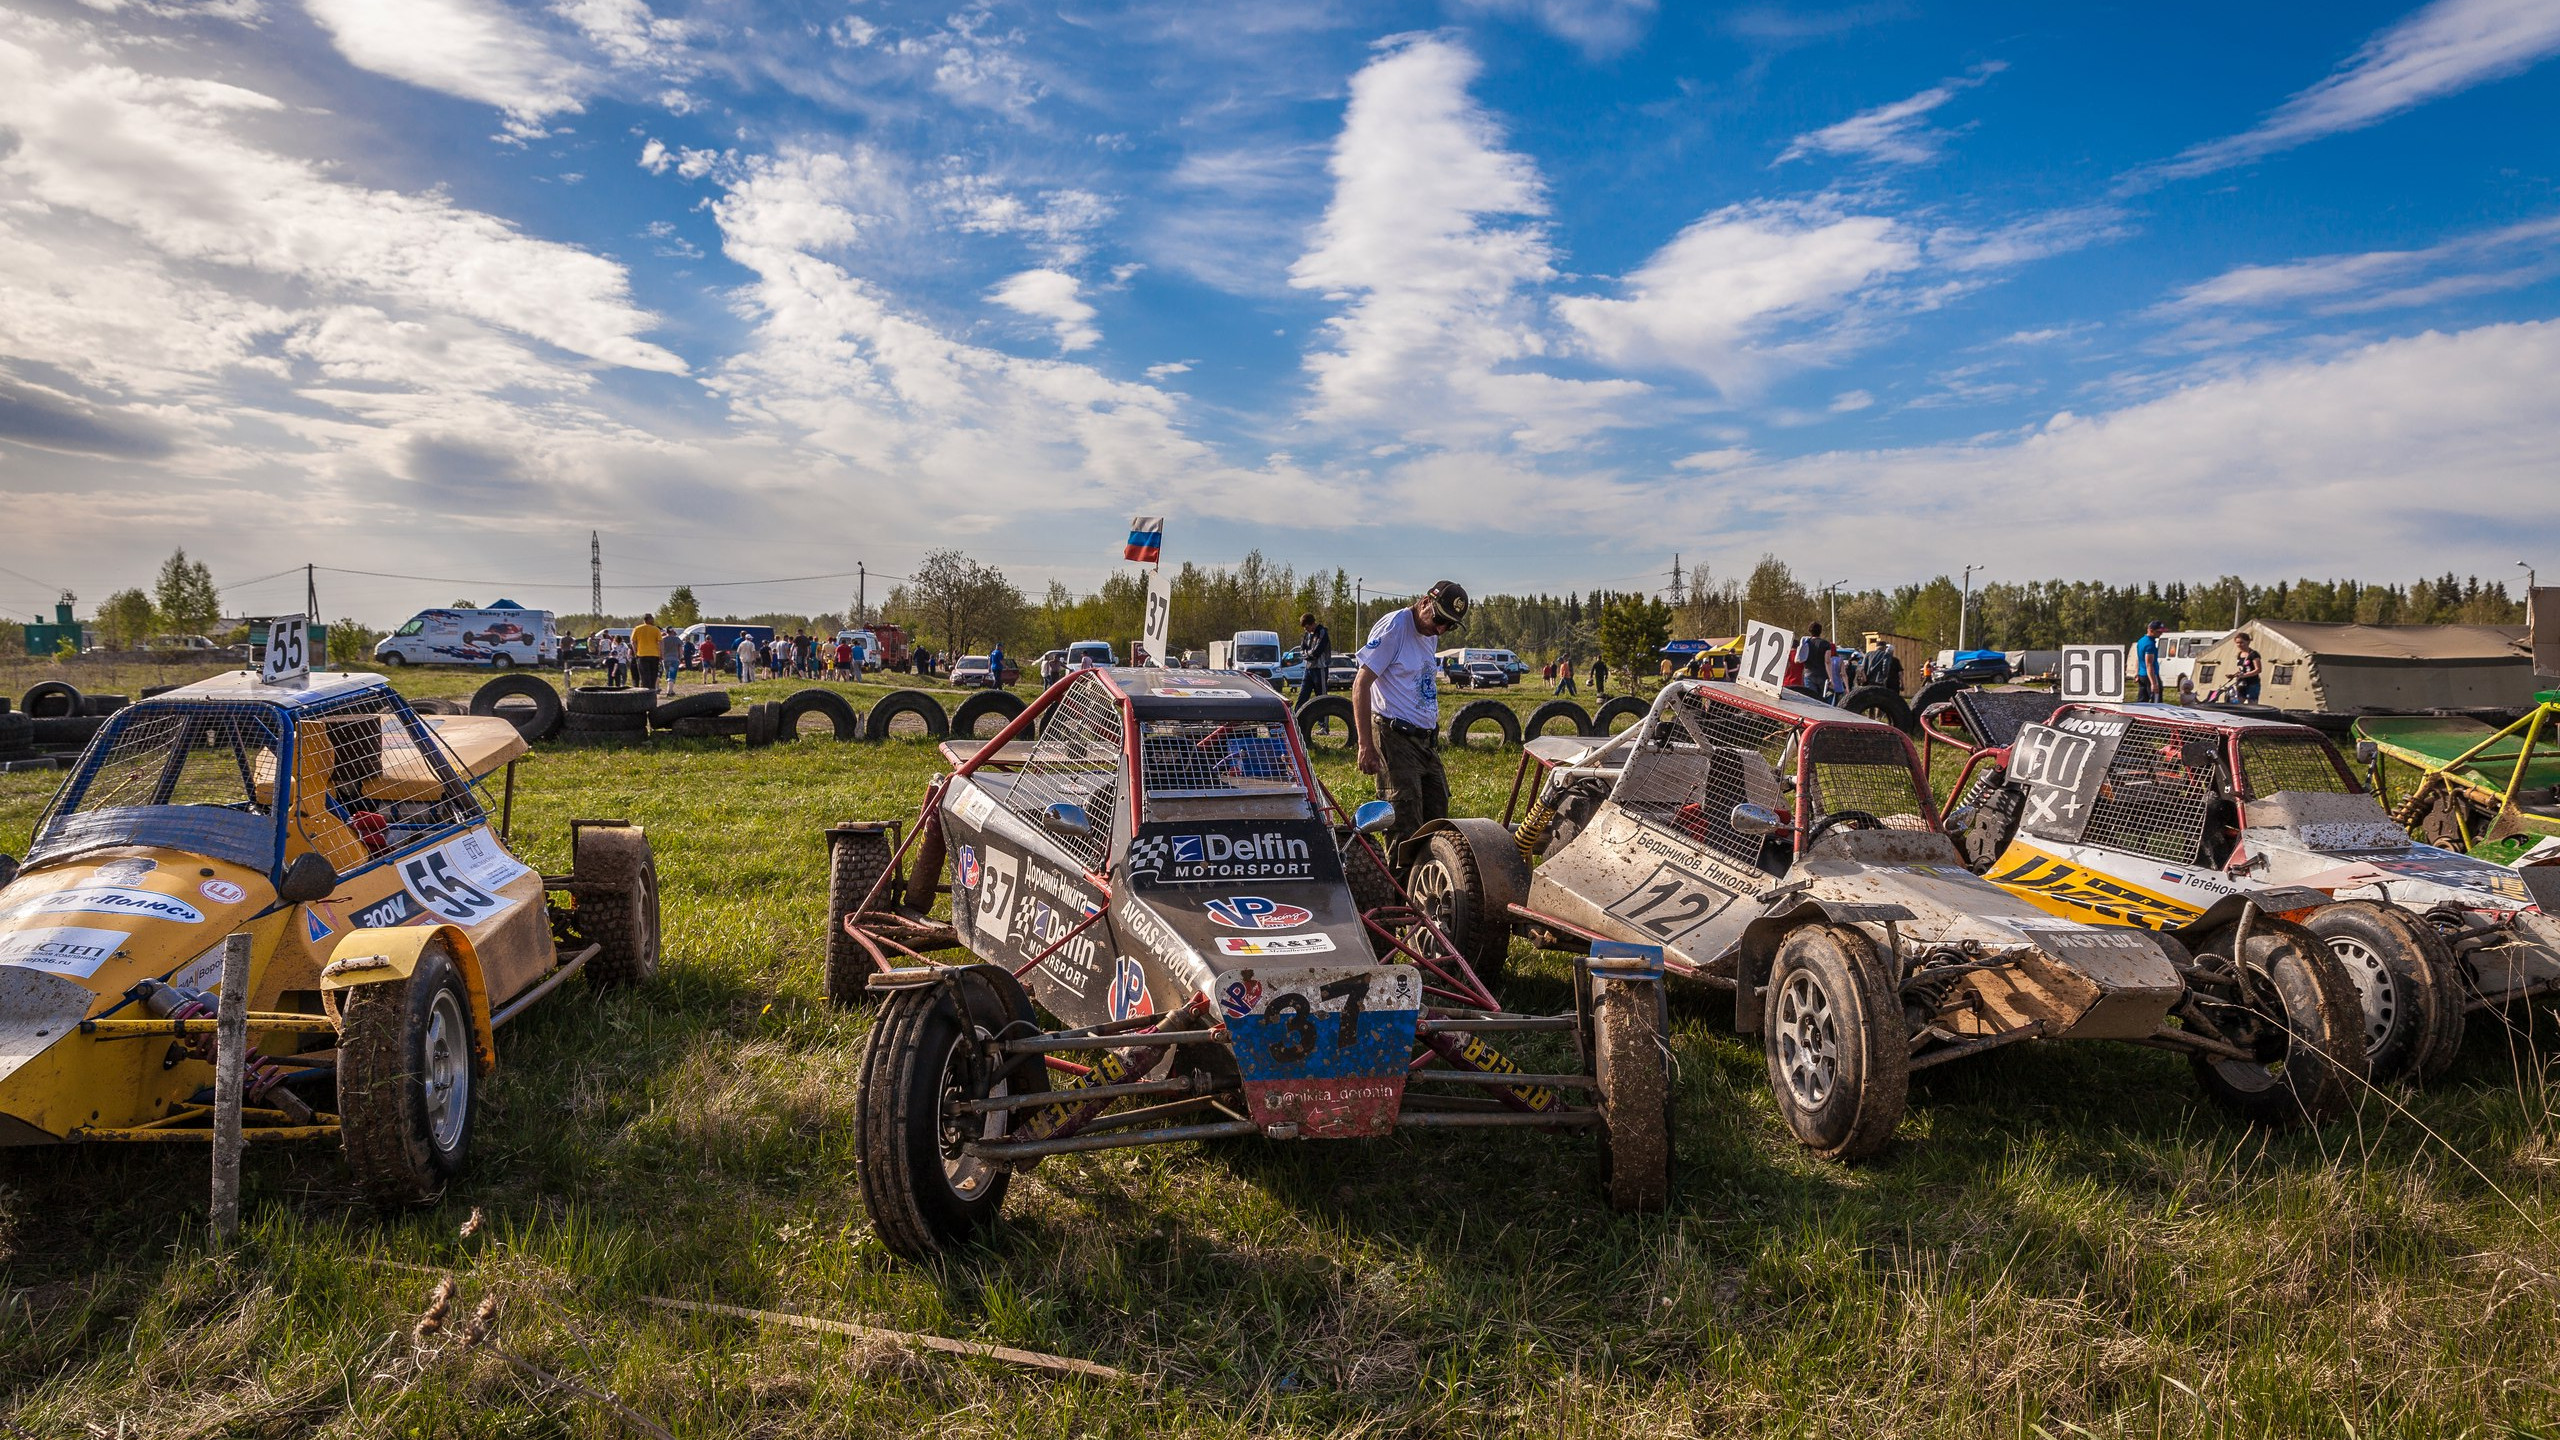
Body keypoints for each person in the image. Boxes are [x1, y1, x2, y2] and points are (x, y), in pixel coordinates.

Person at [1354, 580, 1469, 863]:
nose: (1441, 629)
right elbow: (1360, 685)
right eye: (1440, 619)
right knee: (1404, 824)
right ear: (1425, 602)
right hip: (1394, 737)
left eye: (1450, 625)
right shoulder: (1395, 628)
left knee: (1438, 817)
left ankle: (1427, 886)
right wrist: (1365, 744)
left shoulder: (1430, 633)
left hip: (1424, 741)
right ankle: (1400, 900)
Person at [1297, 612, 1332, 706]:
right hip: (1308, 669)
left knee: (1321, 698)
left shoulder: (1322, 632)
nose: (1306, 630)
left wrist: (1307, 654)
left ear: (1313, 624)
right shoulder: (1306, 634)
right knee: (1302, 696)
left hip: (1320, 669)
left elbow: (1316, 652)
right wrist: (1308, 654)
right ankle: (1296, 718)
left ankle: (1323, 721)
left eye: (1307, 627)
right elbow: (1301, 650)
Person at [2133, 620, 2166, 702]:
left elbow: (2138, 658)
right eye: (2158, 632)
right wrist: (2153, 683)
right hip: (2151, 675)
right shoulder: (2149, 645)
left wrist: (2136, 672)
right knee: (2156, 702)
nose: (2161, 634)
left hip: (2142, 675)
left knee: (2142, 700)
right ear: (2151, 630)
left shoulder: (2141, 640)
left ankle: (2138, 714)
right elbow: (2149, 664)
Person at [631, 614, 664, 695]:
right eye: (652, 619)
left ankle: (645, 693)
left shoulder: (637, 629)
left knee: (644, 676)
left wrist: (635, 652)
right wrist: (661, 654)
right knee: (653, 675)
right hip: (654, 655)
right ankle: (652, 692)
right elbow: (660, 642)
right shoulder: (656, 629)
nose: (653, 621)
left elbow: (633, 641)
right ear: (649, 620)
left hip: (642, 655)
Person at [2230, 632, 2263, 703]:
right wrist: (2234, 675)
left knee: (2252, 703)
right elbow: (2241, 669)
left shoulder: (2254, 654)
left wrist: (2245, 675)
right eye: (2237, 643)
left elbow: (2258, 670)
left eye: (2241, 642)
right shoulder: (2239, 654)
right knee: (2237, 703)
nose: (2239, 645)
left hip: (2252, 683)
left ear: (2248, 642)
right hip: (2241, 683)